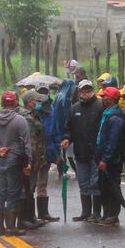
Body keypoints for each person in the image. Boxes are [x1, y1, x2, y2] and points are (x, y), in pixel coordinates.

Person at [0, 90, 31, 235]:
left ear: (1, 103)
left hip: (0, 160)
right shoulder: (20, 120)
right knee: (13, 193)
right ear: (15, 103)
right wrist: (28, 163)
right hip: (15, 161)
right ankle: (11, 227)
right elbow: (26, 144)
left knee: (0, 194)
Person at [61, 80, 103, 222]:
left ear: (93, 89)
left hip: (96, 153)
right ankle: (86, 212)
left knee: (96, 183)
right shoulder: (74, 108)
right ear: (79, 91)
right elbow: (68, 128)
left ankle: (96, 213)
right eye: (83, 89)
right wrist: (67, 138)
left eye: (88, 89)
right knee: (83, 183)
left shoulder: (100, 105)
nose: (86, 92)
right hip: (80, 152)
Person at [94, 86, 125, 227]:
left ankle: (113, 216)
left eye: (105, 96)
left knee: (112, 187)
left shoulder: (116, 118)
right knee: (103, 186)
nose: (102, 98)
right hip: (104, 158)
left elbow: (112, 141)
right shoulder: (108, 113)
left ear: (111, 99)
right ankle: (107, 214)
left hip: (112, 160)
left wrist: (105, 159)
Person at [16, 91, 47, 229]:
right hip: (29, 159)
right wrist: (29, 161)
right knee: (26, 188)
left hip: (35, 158)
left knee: (31, 188)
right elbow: (29, 141)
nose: (38, 103)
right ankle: (24, 219)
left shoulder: (33, 115)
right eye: (36, 100)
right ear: (30, 102)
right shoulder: (26, 118)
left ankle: (31, 217)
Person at [37, 87, 62, 222]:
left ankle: (43, 213)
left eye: (45, 93)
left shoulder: (52, 111)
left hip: (47, 153)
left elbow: (56, 133)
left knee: (42, 183)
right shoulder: (32, 112)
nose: (43, 96)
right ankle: (26, 215)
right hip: (33, 154)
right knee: (29, 185)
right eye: (40, 93)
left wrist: (57, 153)